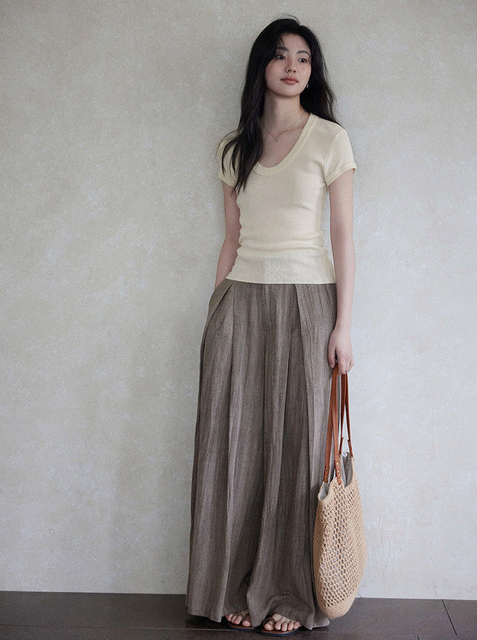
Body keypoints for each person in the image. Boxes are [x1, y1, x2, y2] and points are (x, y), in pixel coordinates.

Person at [185, 15, 357, 637]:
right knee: (234, 446)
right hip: (240, 302)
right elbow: (231, 239)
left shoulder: (330, 140)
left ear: (313, 71)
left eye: (303, 58)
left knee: (300, 449)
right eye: (281, 55)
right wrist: (216, 312)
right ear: (262, 65)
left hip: (308, 301)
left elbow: (344, 239)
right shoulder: (235, 147)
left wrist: (343, 326)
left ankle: (289, 594)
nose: (292, 66)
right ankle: (237, 588)